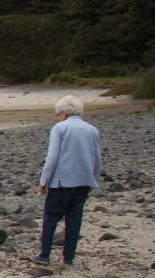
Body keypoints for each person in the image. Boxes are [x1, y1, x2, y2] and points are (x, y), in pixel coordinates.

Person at [32, 95, 102, 266]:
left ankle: (45, 254)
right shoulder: (91, 130)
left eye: (58, 113)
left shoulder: (60, 128)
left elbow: (52, 157)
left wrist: (44, 180)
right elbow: (97, 158)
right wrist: (94, 179)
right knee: (74, 218)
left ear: (63, 113)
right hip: (84, 180)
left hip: (63, 181)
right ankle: (69, 258)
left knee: (51, 217)